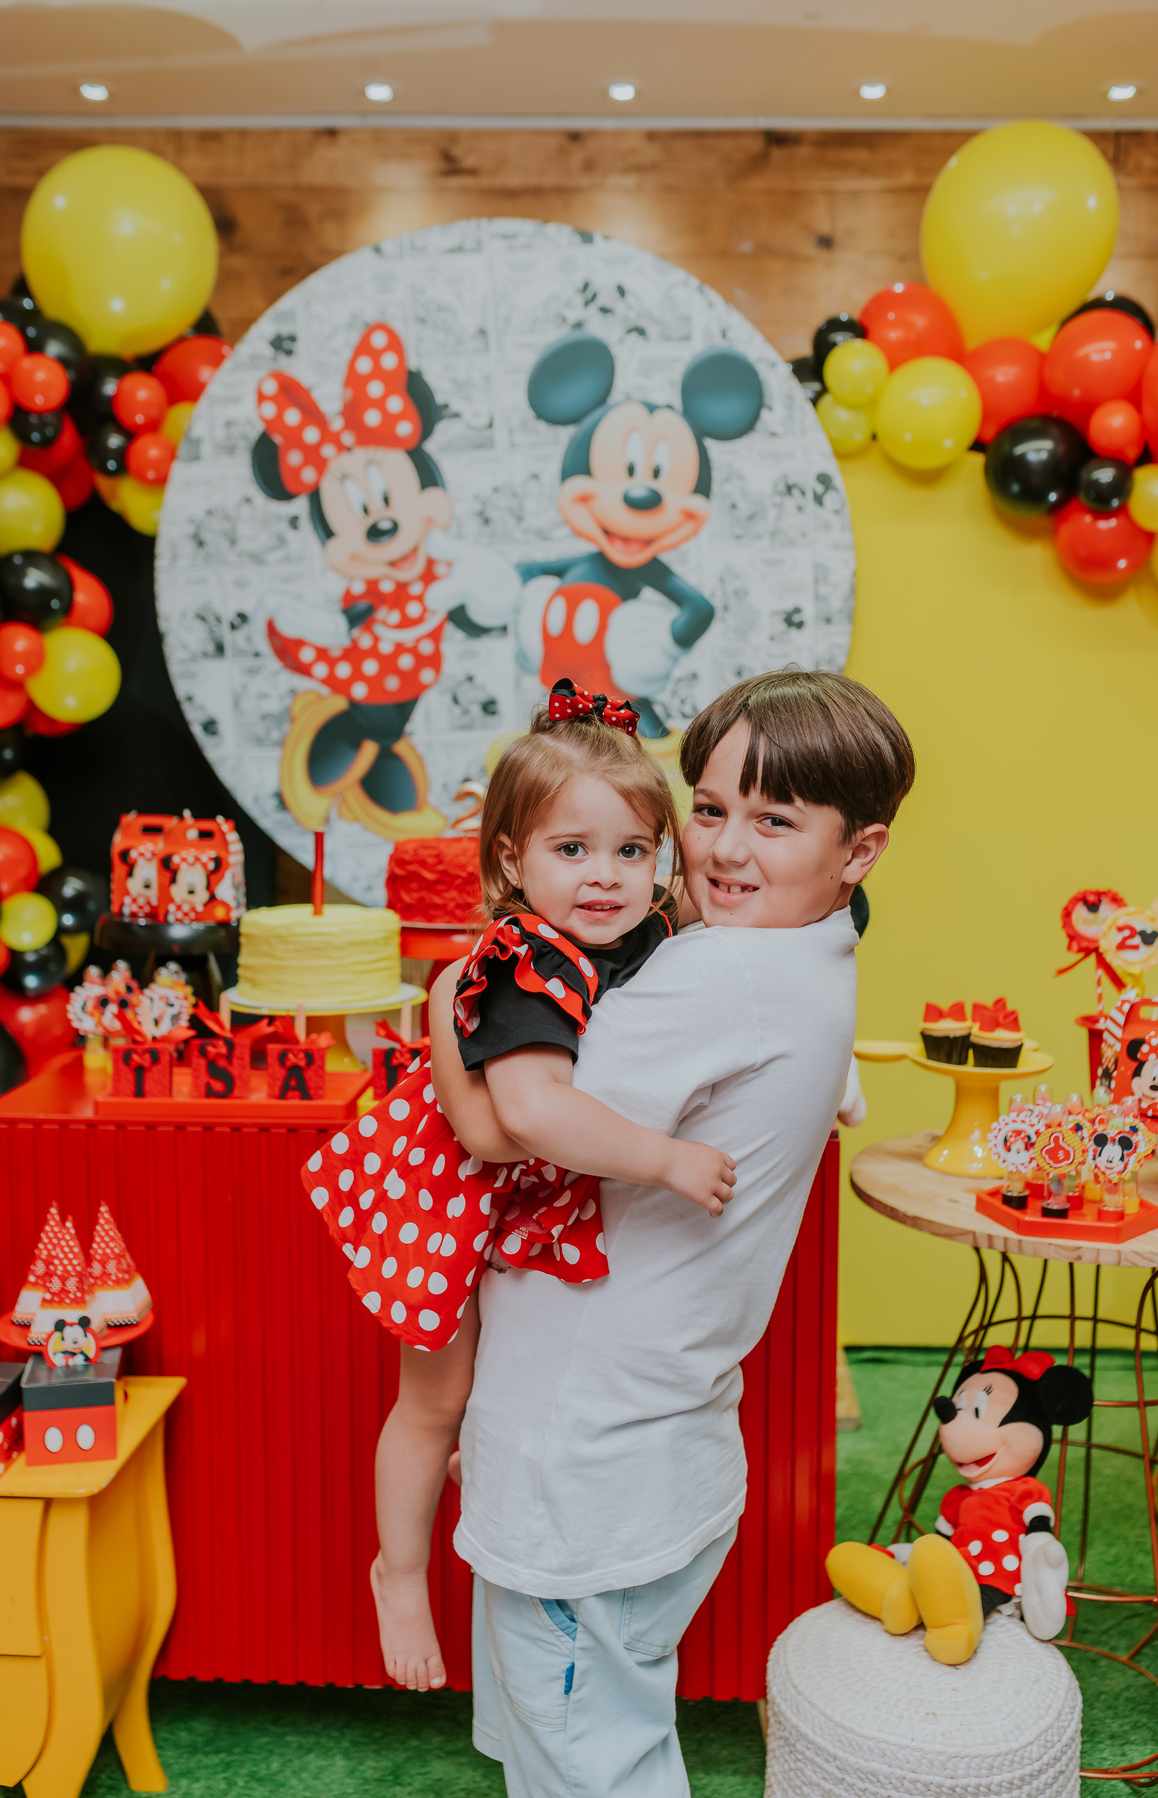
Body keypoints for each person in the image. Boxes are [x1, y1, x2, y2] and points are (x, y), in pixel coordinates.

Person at [442, 667, 914, 1797]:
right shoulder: (816, 949)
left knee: (585, 1764)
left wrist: (448, 1004)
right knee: (604, 1736)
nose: (725, 850)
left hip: (587, 1454)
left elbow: (510, 1124)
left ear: (860, 849)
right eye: (707, 809)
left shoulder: (717, 975)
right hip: (659, 1431)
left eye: (775, 821)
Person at [302, 677, 737, 1693]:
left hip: (527, 1198)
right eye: (571, 849)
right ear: (511, 859)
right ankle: (399, 1570)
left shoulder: (638, 930)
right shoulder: (521, 962)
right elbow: (516, 1124)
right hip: (445, 1193)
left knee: (522, 1373)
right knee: (435, 1397)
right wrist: (668, 1158)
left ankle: (472, 1465)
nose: (605, 876)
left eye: (631, 850)